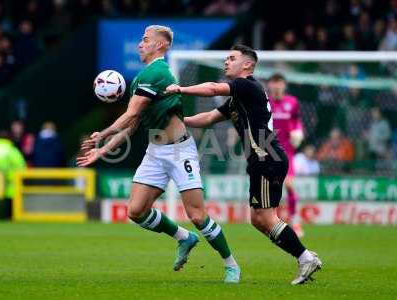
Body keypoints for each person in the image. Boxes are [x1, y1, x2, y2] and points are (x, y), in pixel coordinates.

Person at [77, 25, 240, 283]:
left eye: (145, 40)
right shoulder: (142, 78)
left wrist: (103, 133)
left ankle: (231, 265)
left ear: (160, 46)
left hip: (180, 152)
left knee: (197, 215)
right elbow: (132, 125)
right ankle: (183, 238)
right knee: (136, 210)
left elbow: (130, 114)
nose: (140, 44)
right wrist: (103, 150)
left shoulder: (157, 72)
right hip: (156, 150)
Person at [165, 44, 322, 285]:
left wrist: (181, 89)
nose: (226, 62)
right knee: (258, 219)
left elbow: (214, 88)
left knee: (266, 218)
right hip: (262, 159)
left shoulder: (247, 85)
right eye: (226, 58)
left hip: (266, 158)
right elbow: (208, 118)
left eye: (231, 58)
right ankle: (304, 256)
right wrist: (179, 120)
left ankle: (305, 257)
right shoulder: (239, 97)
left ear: (247, 65)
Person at [267, 74, 305, 237]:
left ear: (284, 85)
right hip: (268, 150)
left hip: (287, 151)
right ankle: (272, 221)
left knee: (289, 184)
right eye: (273, 83)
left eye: (279, 83)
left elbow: (297, 120)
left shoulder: (292, 102)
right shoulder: (265, 102)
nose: (276, 86)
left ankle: (295, 221)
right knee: (270, 187)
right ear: (269, 85)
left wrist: (298, 131)